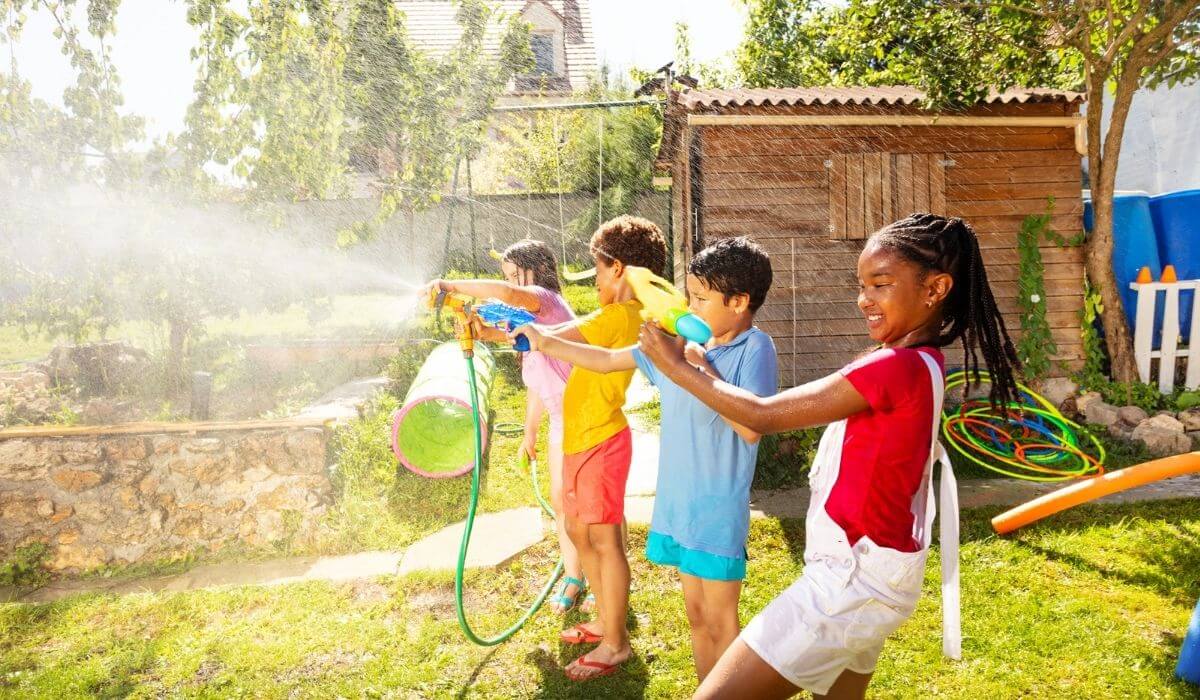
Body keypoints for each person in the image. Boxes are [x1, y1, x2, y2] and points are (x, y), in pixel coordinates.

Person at [639, 213, 1020, 699]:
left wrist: (676, 367)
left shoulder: (896, 368)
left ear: (935, 288)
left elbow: (761, 414)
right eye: (862, 284)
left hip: (850, 582)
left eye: (881, 284)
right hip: (879, 577)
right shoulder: (923, 364)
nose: (865, 298)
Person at [516, 236, 778, 682]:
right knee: (696, 619)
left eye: (701, 299)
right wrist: (545, 343)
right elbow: (604, 360)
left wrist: (694, 366)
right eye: (689, 296)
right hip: (679, 506)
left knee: (721, 623)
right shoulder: (679, 345)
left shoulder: (754, 348)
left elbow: (751, 424)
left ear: (739, 302)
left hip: (716, 512)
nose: (690, 308)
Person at [522, 215, 668, 681]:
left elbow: (564, 339)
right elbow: (554, 339)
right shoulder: (615, 315)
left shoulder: (621, 316)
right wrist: (506, 331)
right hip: (581, 439)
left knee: (604, 541)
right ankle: (606, 620)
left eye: (599, 269)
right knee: (581, 533)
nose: (597, 279)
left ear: (620, 269)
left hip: (601, 440)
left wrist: (532, 335)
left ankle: (616, 643)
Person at [420, 240, 586, 614]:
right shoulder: (531, 326)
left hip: (584, 417)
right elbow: (537, 383)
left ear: (537, 272)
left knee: (587, 506)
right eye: (507, 276)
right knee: (561, 502)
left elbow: (507, 295)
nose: (511, 284)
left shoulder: (545, 299)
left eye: (516, 275)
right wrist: (530, 434)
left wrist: (450, 285)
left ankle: (605, 576)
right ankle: (575, 576)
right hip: (562, 420)